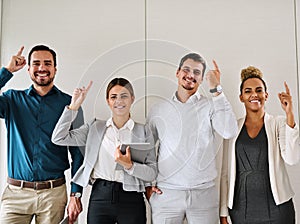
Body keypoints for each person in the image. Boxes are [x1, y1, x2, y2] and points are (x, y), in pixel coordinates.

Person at [146, 53, 238, 224]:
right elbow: (147, 150)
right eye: (186, 70)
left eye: (196, 72)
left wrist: (217, 89)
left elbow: (229, 131)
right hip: (166, 194)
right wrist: (147, 186)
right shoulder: (159, 109)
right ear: (178, 72)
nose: (190, 75)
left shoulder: (211, 105)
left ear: (202, 79)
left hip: (204, 195)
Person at [51, 77, 157, 224]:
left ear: (132, 99)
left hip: (132, 199)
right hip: (100, 196)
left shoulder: (144, 131)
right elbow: (58, 138)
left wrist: (129, 166)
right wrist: (73, 107)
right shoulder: (94, 127)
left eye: (124, 96)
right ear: (108, 101)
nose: (119, 101)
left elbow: (152, 172)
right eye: (113, 97)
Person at [0, 45, 84, 224]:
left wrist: (75, 194)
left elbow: (78, 153)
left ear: (55, 69)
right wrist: (7, 71)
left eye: (48, 63)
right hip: (16, 195)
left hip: (53, 196)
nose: (42, 68)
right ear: (28, 68)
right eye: (36, 63)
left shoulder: (70, 104)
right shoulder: (12, 100)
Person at [220, 66, 300, 224]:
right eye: (248, 91)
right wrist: (223, 211)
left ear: (266, 95)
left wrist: (289, 114)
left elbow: (292, 159)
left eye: (259, 90)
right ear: (241, 97)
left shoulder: (278, 123)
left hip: (278, 210)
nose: (254, 94)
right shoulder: (233, 129)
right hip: (241, 212)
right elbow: (225, 174)